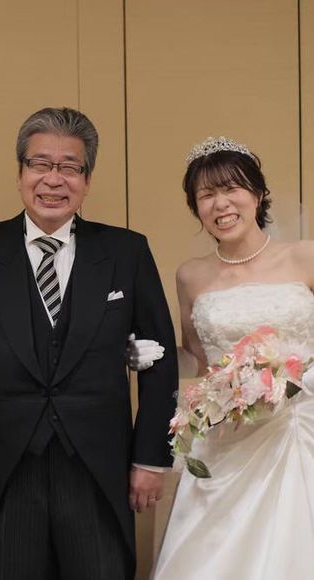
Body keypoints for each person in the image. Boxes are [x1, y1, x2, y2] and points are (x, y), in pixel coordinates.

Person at [0, 107, 178, 580]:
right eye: (40, 164)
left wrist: (150, 458)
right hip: (3, 465)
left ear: (87, 179)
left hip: (99, 466)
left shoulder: (126, 252)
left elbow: (160, 364)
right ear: (20, 173)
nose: (53, 180)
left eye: (69, 167)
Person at [152, 137, 314, 579]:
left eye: (231, 189)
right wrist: (145, 355)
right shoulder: (191, 275)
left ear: (257, 194)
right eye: (206, 195)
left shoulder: (305, 256)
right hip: (228, 434)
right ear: (196, 208)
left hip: (301, 424)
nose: (220, 204)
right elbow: (197, 359)